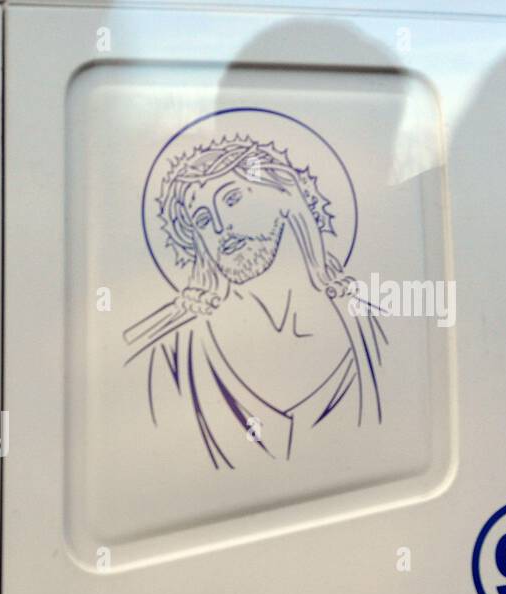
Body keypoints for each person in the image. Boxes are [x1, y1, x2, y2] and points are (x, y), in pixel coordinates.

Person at [124, 134, 387, 468]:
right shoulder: (172, 353)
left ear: (283, 194)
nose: (220, 228)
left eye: (232, 199)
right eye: (203, 220)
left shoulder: (367, 324)